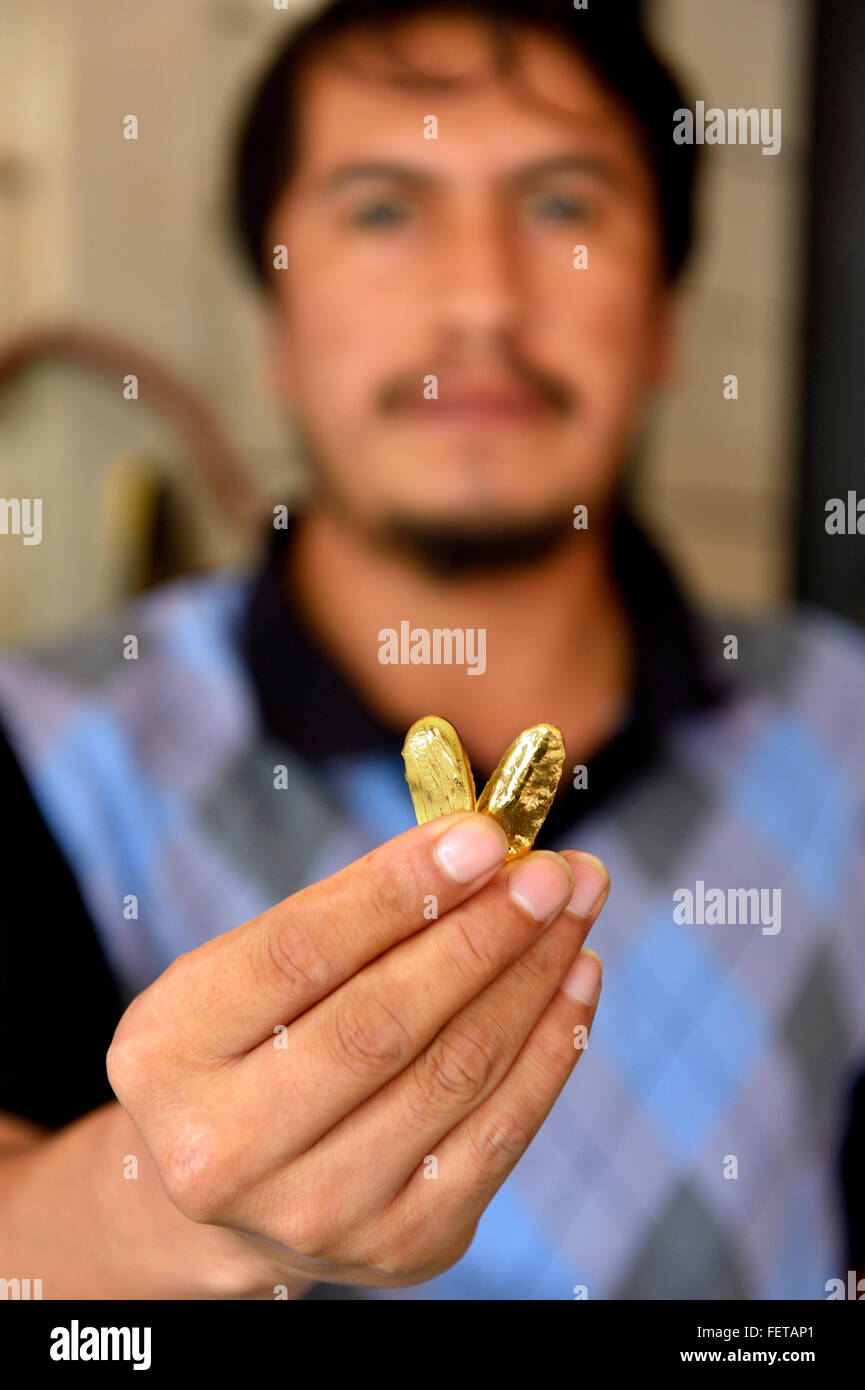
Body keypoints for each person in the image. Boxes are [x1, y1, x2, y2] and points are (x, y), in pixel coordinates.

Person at [0, 0, 862, 1301]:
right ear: (278, 329)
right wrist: (173, 1201)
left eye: (564, 207)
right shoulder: (42, 742)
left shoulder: (847, 730)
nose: (479, 299)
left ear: (666, 318)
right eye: (383, 209)